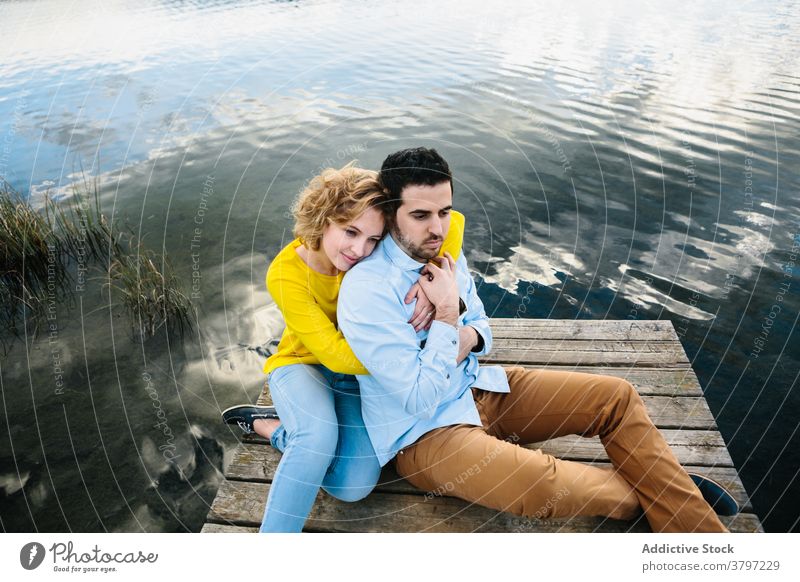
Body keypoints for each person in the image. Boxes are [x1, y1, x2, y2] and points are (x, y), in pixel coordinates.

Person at [337, 147, 738, 532]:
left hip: (477, 389)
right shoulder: (367, 290)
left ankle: (690, 522)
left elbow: (483, 328)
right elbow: (418, 397)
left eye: (444, 211)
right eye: (421, 215)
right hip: (424, 435)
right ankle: (667, 489)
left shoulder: (445, 257)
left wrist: (465, 333)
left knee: (615, 397)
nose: (437, 227)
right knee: (546, 485)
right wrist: (445, 313)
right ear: (390, 215)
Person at [222, 163, 465, 532]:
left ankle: (278, 432)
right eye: (350, 232)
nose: (359, 250)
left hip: (358, 376)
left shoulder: (372, 247)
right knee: (317, 437)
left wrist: (434, 275)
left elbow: (455, 224)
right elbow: (333, 353)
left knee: (353, 486)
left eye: (372, 239)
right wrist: (404, 363)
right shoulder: (286, 272)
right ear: (323, 220)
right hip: (305, 366)